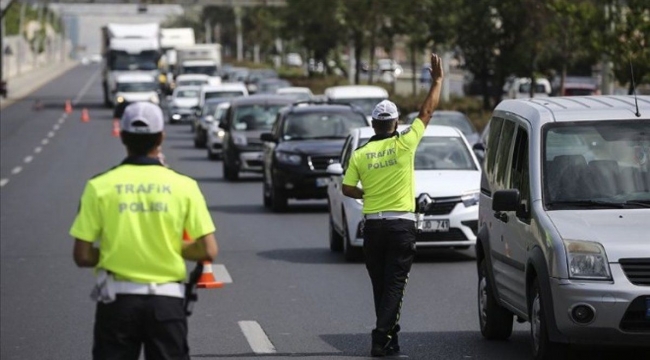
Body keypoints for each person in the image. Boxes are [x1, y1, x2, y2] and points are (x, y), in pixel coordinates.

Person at [70, 101, 218, 360]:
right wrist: (174, 248)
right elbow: (208, 250)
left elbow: (82, 255)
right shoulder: (184, 186)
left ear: (123, 136)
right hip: (167, 304)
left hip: (117, 303)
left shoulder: (99, 186)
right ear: (161, 137)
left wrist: (113, 252)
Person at [341, 53, 444, 357]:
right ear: (396, 123)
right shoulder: (405, 143)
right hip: (401, 226)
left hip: (372, 225)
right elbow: (426, 112)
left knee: (381, 285)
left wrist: (366, 194)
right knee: (395, 285)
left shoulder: (360, 154)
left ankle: (390, 338)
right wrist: (437, 80)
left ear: (373, 124)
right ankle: (379, 337)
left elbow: (347, 188)